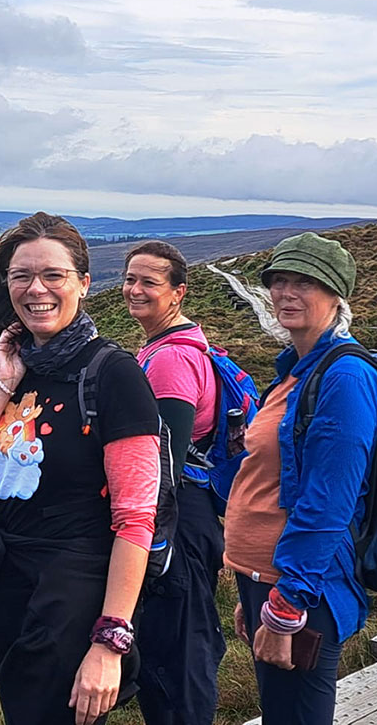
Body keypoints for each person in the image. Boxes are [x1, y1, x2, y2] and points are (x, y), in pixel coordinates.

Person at [0, 211, 162, 725]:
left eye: (52, 275)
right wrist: (2, 381)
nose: (37, 289)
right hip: (10, 585)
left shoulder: (114, 375)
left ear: (83, 283)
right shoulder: (22, 368)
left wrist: (110, 640)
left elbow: (136, 520)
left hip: (72, 594)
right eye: (21, 276)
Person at [224, 232, 377, 725]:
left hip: (302, 587)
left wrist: (286, 604)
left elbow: (329, 501)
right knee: (280, 712)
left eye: (305, 283)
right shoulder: (294, 371)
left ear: (337, 297)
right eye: (279, 281)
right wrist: (250, 590)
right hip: (265, 580)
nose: (286, 294)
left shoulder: (345, 378)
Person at [121, 240, 227, 725]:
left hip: (176, 519)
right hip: (189, 512)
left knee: (174, 651)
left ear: (177, 293)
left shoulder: (169, 360)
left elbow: (163, 459)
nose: (133, 290)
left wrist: (151, 541)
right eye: (129, 279)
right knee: (186, 638)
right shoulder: (172, 346)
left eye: (149, 282)